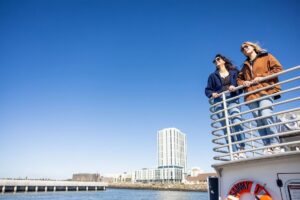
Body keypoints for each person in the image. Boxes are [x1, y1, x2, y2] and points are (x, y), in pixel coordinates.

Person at [236, 41, 283, 154]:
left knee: (266, 115)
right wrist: (244, 83)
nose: (244, 49)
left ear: (253, 46)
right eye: (242, 49)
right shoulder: (244, 65)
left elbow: (278, 69)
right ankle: (267, 146)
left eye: (246, 46)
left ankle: (275, 144)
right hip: (251, 95)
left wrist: (261, 77)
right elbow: (239, 79)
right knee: (259, 121)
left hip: (265, 90)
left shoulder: (266, 56)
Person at [205, 54, 246, 159]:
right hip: (219, 101)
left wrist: (235, 87)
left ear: (223, 60)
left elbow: (240, 84)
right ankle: (234, 151)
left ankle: (242, 148)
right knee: (226, 127)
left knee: (237, 121)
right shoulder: (212, 76)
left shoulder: (234, 72)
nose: (216, 61)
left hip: (232, 98)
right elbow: (207, 89)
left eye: (218, 59)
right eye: (214, 61)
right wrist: (212, 94)